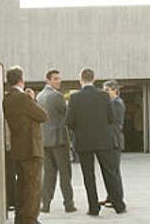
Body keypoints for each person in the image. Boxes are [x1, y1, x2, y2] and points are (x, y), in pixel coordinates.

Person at [67, 68, 125, 216]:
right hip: (103, 140)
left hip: (83, 141)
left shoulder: (74, 98)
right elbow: (111, 118)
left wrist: (80, 130)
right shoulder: (104, 96)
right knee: (109, 172)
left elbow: (69, 122)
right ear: (94, 79)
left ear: (81, 80)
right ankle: (119, 205)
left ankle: (93, 207)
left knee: (88, 175)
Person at [2, 66, 50, 224]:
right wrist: (32, 98)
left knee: (21, 183)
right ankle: (31, 220)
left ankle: (20, 218)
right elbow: (43, 116)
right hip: (31, 147)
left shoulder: (7, 98)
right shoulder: (23, 98)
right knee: (33, 185)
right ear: (21, 80)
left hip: (18, 147)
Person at [36, 69, 76, 214]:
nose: (58, 81)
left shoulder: (39, 96)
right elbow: (66, 115)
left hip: (45, 140)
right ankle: (68, 204)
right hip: (59, 139)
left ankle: (45, 204)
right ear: (48, 80)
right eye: (55, 79)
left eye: (59, 78)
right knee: (65, 173)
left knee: (48, 174)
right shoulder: (57, 96)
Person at [100, 80, 126, 208]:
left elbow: (112, 122)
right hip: (111, 140)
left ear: (115, 90)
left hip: (113, 141)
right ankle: (111, 196)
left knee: (113, 172)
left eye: (107, 90)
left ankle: (117, 198)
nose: (105, 93)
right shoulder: (112, 103)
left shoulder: (116, 104)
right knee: (111, 171)